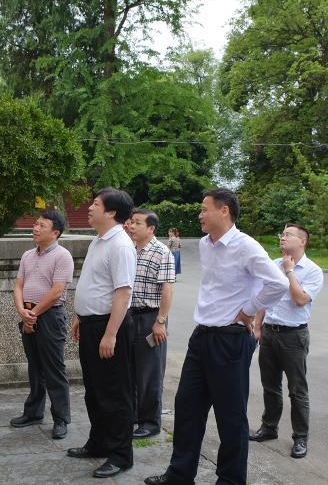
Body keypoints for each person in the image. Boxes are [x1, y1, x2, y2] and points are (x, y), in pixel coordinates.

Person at [145, 188, 289, 485]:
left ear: (224, 210)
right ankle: (179, 475)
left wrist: (249, 309)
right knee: (187, 407)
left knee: (230, 416)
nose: (200, 214)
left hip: (230, 340)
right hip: (201, 336)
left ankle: (230, 480)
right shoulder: (205, 244)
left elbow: (278, 283)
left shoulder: (246, 246)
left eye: (204, 209)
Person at [66, 188, 137, 479]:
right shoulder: (99, 240)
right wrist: (81, 317)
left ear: (111, 212)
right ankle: (99, 442)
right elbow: (96, 284)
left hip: (110, 326)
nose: (89, 208)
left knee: (115, 393)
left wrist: (110, 334)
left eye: (95, 204)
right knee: (95, 390)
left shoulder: (120, 245)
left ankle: (120, 454)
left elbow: (123, 292)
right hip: (91, 324)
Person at [249, 223, 324, 459]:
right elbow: (264, 297)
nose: (282, 238)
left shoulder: (312, 271)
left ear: (303, 241)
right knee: (270, 385)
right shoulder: (273, 264)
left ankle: (300, 438)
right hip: (270, 332)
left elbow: (300, 299)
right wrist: (258, 327)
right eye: (282, 234)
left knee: (297, 390)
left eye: (288, 235)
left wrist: (290, 271)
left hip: (294, 336)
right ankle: (269, 427)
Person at [10, 209, 74, 440]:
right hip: (29, 314)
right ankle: (34, 412)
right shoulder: (28, 255)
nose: (35, 228)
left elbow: (57, 291)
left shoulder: (62, 256)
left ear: (55, 232)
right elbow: (18, 285)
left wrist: (33, 314)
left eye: (42, 225)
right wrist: (22, 312)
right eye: (35, 224)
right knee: (35, 367)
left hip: (50, 317)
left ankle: (61, 419)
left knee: (54, 369)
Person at [125, 209, 175, 439]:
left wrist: (160, 321)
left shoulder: (162, 252)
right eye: (131, 222)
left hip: (151, 317)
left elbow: (167, 288)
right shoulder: (129, 249)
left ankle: (150, 422)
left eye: (137, 223)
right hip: (129, 315)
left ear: (151, 228)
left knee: (150, 372)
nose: (131, 226)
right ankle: (133, 416)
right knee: (130, 369)